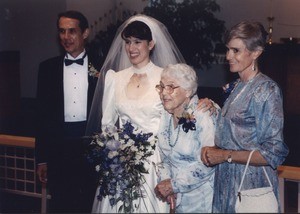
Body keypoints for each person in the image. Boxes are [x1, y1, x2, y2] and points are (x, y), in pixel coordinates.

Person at [88, 14, 213, 213]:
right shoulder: (115, 78)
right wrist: (115, 153)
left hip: (156, 162)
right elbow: (108, 124)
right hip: (121, 162)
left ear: (151, 44)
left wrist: (210, 103)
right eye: (128, 42)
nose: (131, 48)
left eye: (138, 42)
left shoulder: (164, 76)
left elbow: (185, 105)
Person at [201, 20, 289, 213]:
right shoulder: (237, 87)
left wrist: (224, 155)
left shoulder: (266, 89)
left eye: (236, 51)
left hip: (250, 184)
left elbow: (273, 152)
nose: (228, 56)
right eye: (228, 50)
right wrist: (214, 110)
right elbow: (236, 131)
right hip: (226, 180)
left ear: (256, 52)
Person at [35, 10, 101, 213]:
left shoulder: (102, 67)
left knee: (90, 202)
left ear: (85, 33)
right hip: (59, 149)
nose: (66, 37)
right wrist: (42, 158)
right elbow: (41, 116)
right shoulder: (46, 69)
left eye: (72, 31)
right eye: (62, 31)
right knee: (61, 204)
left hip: (92, 148)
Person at [154, 63, 216, 213]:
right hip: (175, 198)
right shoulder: (165, 114)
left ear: (188, 91)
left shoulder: (203, 115)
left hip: (200, 197)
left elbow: (209, 163)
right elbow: (164, 157)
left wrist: (174, 185)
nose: (163, 93)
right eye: (161, 87)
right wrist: (166, 181)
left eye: (171, 87)